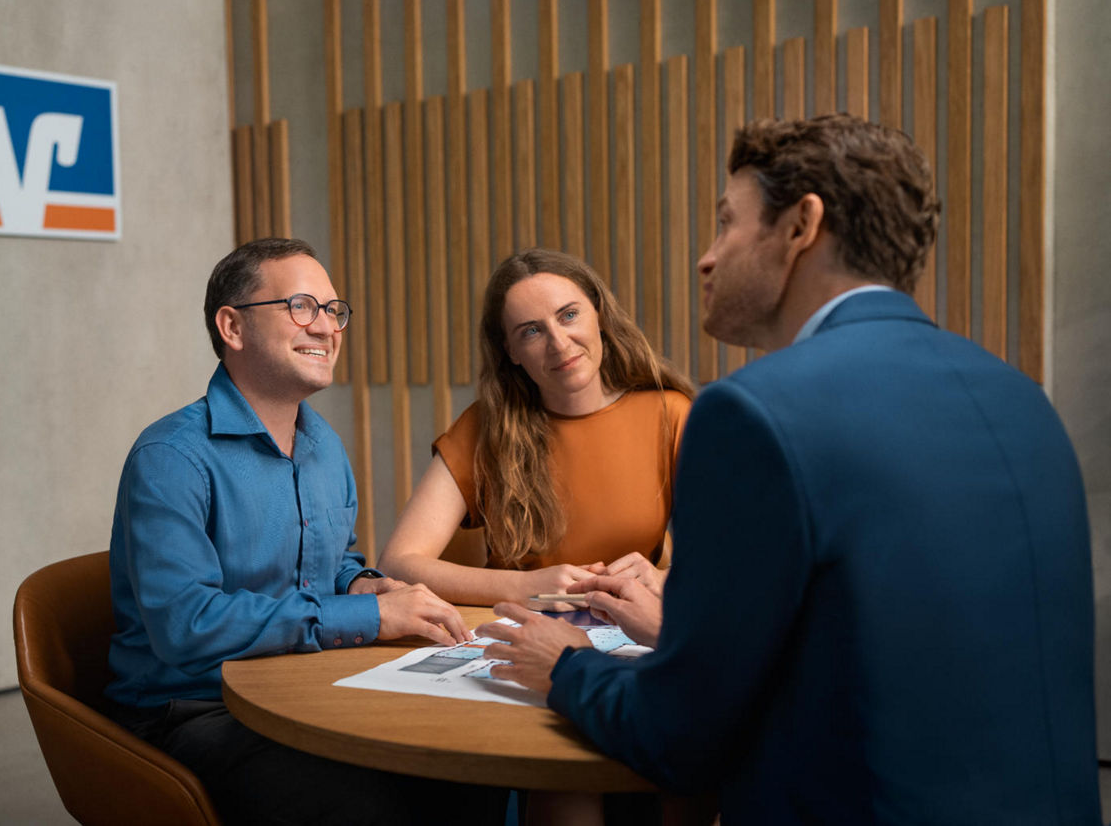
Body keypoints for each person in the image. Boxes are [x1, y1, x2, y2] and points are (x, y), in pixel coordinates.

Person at [478, 115, 1100, 824]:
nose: (707, 258)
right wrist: (687, 625)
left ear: (802, 226)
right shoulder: (1024, 400)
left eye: (726, 223)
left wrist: (565, 664)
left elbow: (679, 738)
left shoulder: (750, 414)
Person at [104, 237, 503, 825]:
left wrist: (365, 585)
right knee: (364, 808)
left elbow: (334, 561)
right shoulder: (170, 457)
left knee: (469, 772)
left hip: (304, 686)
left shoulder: (324, 447)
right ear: (232, 327)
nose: (327, 328)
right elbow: (186, 626)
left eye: (334, 311)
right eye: (302, 306)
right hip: (194, 709)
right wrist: (369, 619)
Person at [378, 249, 695, 609]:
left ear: (600, 316)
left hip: (633, 640)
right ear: (510, 350)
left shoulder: (672, 414)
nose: (559, 344)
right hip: (513, 633)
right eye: (531, 331)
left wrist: (658, 578)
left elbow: (733, 558)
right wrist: (524, 586)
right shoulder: (485, 426)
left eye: (569, 316)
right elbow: (398, 564)